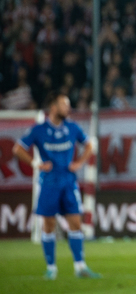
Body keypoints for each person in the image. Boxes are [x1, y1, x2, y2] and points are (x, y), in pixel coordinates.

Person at [12, 92, 101, 280]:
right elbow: (17, 149)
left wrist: (79, 163)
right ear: (53, 107)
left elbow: (90, 145)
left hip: (69, 183)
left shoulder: (73, 128)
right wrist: (36, 164)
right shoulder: (39, 130)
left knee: (76, 223)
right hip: (49, 184)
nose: (67, 108)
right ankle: (51, 268)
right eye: (63, 104)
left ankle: (80, 267)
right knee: (49, 224)